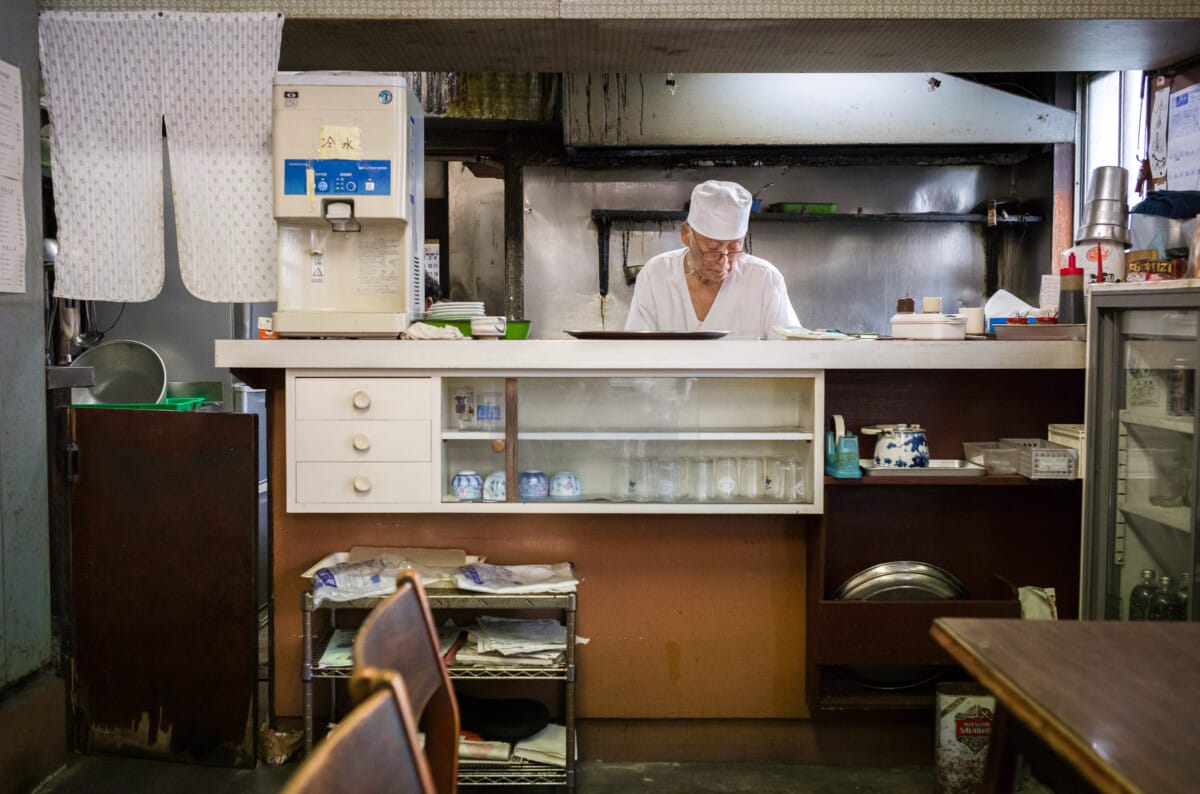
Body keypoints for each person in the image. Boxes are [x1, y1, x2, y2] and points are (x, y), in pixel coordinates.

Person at [625, 180, 799, 339]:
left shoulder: (765, 280)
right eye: (712, 248)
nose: (724, 262)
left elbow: (793, 355)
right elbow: (636, 352)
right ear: (686, 234)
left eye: (733, 248)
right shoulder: (656, 274)